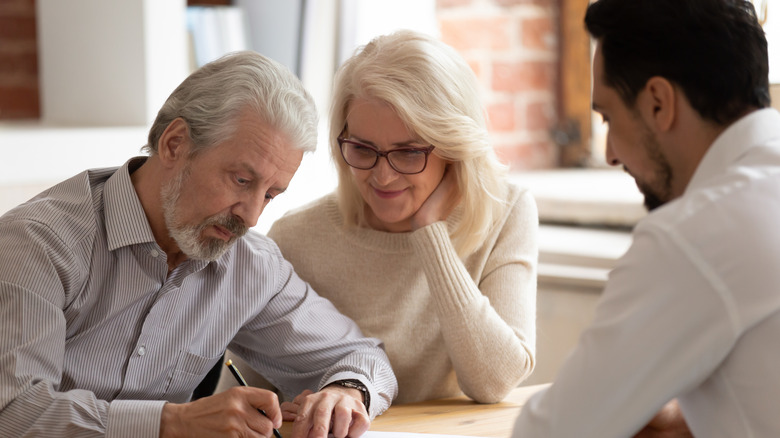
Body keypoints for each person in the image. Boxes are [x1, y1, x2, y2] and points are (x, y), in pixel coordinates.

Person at [0, 51, 397, 438]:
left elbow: (362, 358)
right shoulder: (36, 244)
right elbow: (12, 413)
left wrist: (347, 392)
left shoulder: (250, 266)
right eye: (241, 180)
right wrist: (174, 424)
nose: (252, 216)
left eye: (271, 194)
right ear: (175, 144)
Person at [220, 30, 538, 407]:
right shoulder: (296, 237)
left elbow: (495, 383)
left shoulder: (506, 212)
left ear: (454, 150)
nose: (382, 176)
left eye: (407, 153)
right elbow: (246, 393)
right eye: (362, 148)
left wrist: (430, 234)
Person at [512, 0, 780, 436]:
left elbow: (549, 432)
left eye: (609, 117)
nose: (611, 153)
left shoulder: (693, 236)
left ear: (658, 103)